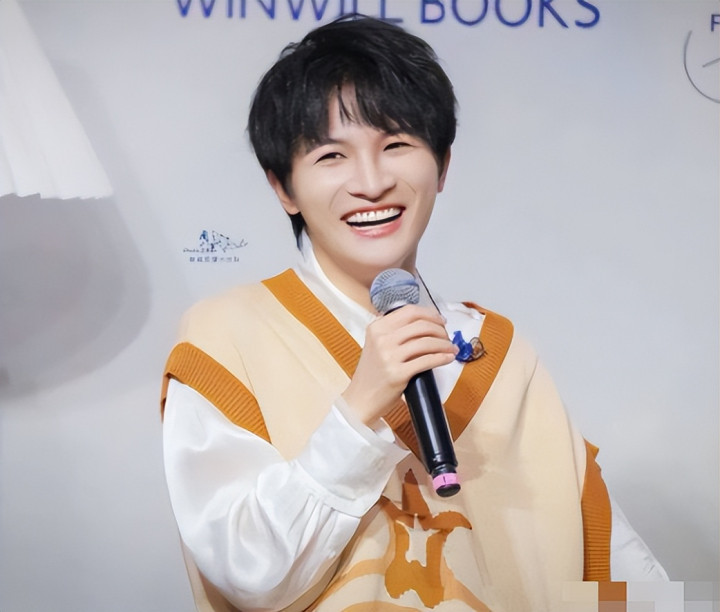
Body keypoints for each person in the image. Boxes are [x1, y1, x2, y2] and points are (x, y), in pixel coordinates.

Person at [160, 15, 667, 612]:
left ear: (442, 166)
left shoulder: (500, 352)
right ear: (284, 188)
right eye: (331, 156)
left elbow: (608, 557)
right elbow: (248, 573)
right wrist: (358, 411)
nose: (371, 182)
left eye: (396, 146)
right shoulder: (224, 336)